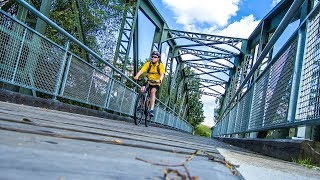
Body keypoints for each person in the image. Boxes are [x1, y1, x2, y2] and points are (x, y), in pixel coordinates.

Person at [133, 51, 165, 117]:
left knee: (153, 92)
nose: (153, 58)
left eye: (155, 57)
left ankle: (151, 110)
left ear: (158, 58)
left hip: (156, 82)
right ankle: (142, 106)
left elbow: (162, 74)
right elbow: (142, 70)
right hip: (149, 81)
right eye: (152, 57)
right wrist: (137, 76)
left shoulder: (160, 65)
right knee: (142, 90)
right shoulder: (148, 64)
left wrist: (160, 80)